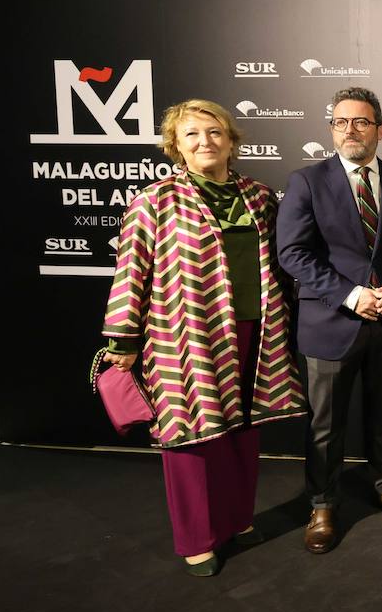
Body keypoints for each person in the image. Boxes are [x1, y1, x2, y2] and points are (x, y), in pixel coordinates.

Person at [102, 99, 307, 576]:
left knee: (242, 430)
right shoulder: (153, 201)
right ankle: (197, 539)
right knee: (190, 436)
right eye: (191, 134)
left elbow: (281, 263)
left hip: (256, 330)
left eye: (214, 132)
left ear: (231, 140)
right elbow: (130, 273)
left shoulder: (258, 196)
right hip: (185, 336)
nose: (204, 142)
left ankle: (236, 519)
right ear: (175, 145)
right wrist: (122, 339)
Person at [277, 87, 382, 554]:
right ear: (331, 129)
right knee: (325, 424)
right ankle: (322, 503)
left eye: (361, 122)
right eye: (341, 122)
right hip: (329, 323)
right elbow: (292, 253)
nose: (350, 130)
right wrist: (351, 294)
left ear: (380, 130)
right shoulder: (307, 181)